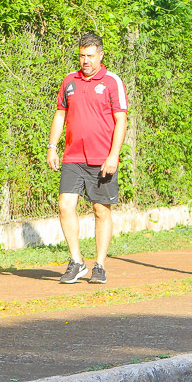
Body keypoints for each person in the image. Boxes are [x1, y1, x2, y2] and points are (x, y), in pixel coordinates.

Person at [47, 32, 128, 285]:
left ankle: (100, 265)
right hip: (72, 157)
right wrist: (52, 146)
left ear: (101, 56)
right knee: (64, 205)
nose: (86, 61)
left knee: (100, 210)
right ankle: (76, 262)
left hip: (101, 159)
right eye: (82, 55)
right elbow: (61, 114)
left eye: (90, 56)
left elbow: (121, 120)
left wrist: (113, 155)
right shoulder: (69, 81)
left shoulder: (112, 81)